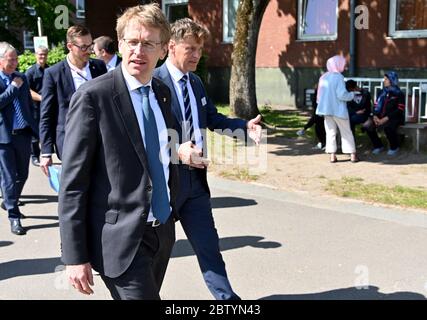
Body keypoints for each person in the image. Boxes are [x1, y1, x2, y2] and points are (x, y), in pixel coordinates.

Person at [58, 3, 181, 300]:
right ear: (121, 44)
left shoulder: (162, 92)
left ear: (163, 50)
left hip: (160, 232)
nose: (139, 51)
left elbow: (161, 150)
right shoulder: (93, 97)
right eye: (132, 42)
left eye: (149, 43)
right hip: (120, 238)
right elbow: (73, 183)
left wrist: (179, 154)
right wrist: (75, 256)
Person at [154, 18, 262, 300]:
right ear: (171, 47)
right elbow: (146, 134)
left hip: (196, 182)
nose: (196, 55)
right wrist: (178, 149)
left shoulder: (196, 83)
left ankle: (227, 300)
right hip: (164, 182)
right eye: (190, 48)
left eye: (199, 49)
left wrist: (243, 127)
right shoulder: (153, 83)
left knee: (208, 246)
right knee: (158, 251)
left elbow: (211, 118)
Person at [39, 25, 107, 175]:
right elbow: (47, 115)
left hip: (100, 136)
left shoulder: (99, 67)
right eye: (83, 47)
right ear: (70, 46)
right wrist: (46, 152)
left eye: (90, 46)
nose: (88, 51)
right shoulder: (54, 73)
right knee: (76, 182)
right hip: (69, 139)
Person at [0, 42, 39, 235]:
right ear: (0, 61)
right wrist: (13, 88)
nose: (16, 62)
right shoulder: (13, 83)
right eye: (11, 59)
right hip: (4, 137)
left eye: (16, 58)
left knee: (22, 175)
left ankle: (9, 201)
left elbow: (27, 105)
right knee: (8, 178)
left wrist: (34, 125)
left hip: (23, 134)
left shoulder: (21, 78)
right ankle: (14, 216)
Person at [315, 55, 358, 163]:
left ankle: (332, 156)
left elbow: (319, 96)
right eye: (343, 63)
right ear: (338, 64)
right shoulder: (338, 77)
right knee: (346, 132)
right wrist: (352, 95)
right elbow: (341, 95)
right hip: (338, 110)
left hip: (326, 110)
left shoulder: (324, 77)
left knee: (330, 132)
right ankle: (352, 155)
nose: (345, 65)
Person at [365, 71, 405, 156]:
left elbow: (400, 110)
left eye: (386, 79)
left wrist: (385, 118)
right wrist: (375, 116)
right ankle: (378, 146)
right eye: (384, 79)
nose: (384, 81)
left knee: (388, 127)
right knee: (367, 125)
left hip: (394, 117)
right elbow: (376, 105)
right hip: (380, 116)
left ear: (392, 80)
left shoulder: (399, 93)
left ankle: (394, 147)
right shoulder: (382, 92)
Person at [25, 45, 49, 167]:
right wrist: (42, 98)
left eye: (44, 54)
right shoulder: (30, 72)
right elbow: (27, 90)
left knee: (48, 129)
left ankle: (47, 153)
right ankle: (34, 156)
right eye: (40, 54)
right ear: (35, 55)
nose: (42, 56)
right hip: (35, 107)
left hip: (48, 106)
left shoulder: (50, 70)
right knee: (35, 133)